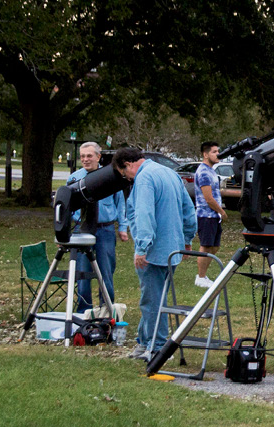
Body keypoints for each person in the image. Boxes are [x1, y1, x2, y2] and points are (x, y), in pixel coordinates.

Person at [113, 147, 197, 360]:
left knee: (153, 301)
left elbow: (144, 214)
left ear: (128, 165)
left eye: (125, 174)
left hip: (154, 251)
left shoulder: (144, 179)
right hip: (173, 248)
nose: (127, 178)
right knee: (155, 297)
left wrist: (142, 248)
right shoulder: (170, 173)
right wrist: (187, 239)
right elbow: (188, 209)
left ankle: (158, 347)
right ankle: (144, 342)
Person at [67, 142, 129, 312]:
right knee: (82, 271)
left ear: (98, 157)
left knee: (106, 270)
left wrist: (122, 227)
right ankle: (84, 311)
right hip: (82, 229)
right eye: (82, 156)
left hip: (105, 230)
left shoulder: (109, 177)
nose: (85, 159)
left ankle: (106, 309)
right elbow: (66, 206)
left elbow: (120, 204)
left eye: (89, 156)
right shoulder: (74, 178)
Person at [193, 141, 228, 288]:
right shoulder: (203, 172)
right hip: (206, 215)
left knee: (214, 246)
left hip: (214, 216)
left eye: (218, 151)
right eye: (214, 152)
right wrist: (222, 211)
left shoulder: (212, 171)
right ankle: (200, 277)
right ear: (205, 154)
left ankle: (203, 275)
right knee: (206, 246)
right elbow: (208, 198)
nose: (218, 154)